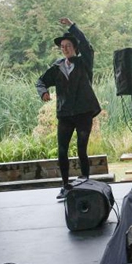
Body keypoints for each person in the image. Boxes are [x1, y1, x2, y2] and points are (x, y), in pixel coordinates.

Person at [36, 18, 101, 200]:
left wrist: (72, 25)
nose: (65, 49)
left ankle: (86, 180)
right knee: (62, 150)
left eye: (68, 45)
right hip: (65, 113)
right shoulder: (57, 67)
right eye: (62, 46)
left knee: (82, 148)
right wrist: (43, 93)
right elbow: (40, 81)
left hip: (83, 112)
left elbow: (87, 46)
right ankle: (65, 185)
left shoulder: (84, 62)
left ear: (74, 47)